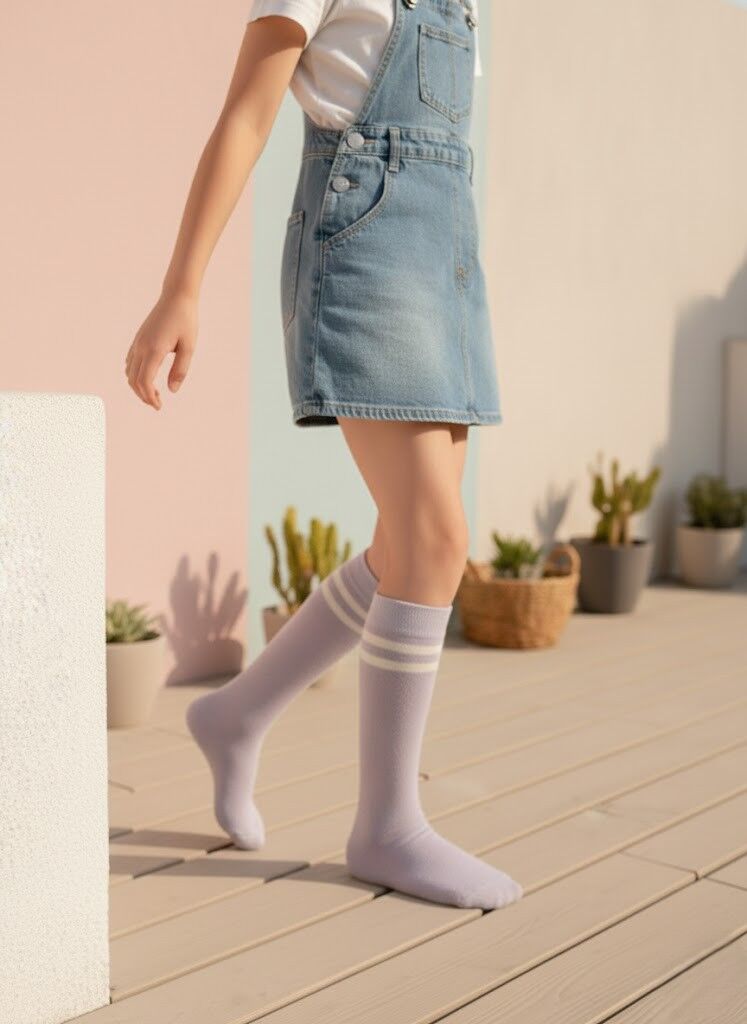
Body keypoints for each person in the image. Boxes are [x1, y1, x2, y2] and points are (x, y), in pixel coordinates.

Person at [125, 0, 522, 911]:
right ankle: (386, 828)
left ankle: (236, 713)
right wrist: (181, 289)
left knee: (404, 548)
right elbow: (248, 112)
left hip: (444, 254)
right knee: (433, 542)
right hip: (366, 248)